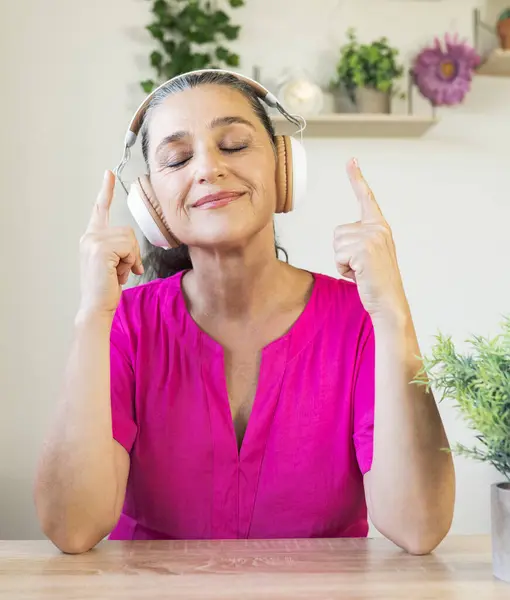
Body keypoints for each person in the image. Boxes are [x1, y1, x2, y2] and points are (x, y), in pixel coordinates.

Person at [34, 71, 455, 555]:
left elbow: (418, 528)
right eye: (177, 158)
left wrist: (392, 310)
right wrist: (91, 315)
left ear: (282, 168)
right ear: (152, 203)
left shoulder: (358, 318)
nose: (208, 168)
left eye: (233, 144)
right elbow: (72, 527)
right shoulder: (124, 322)